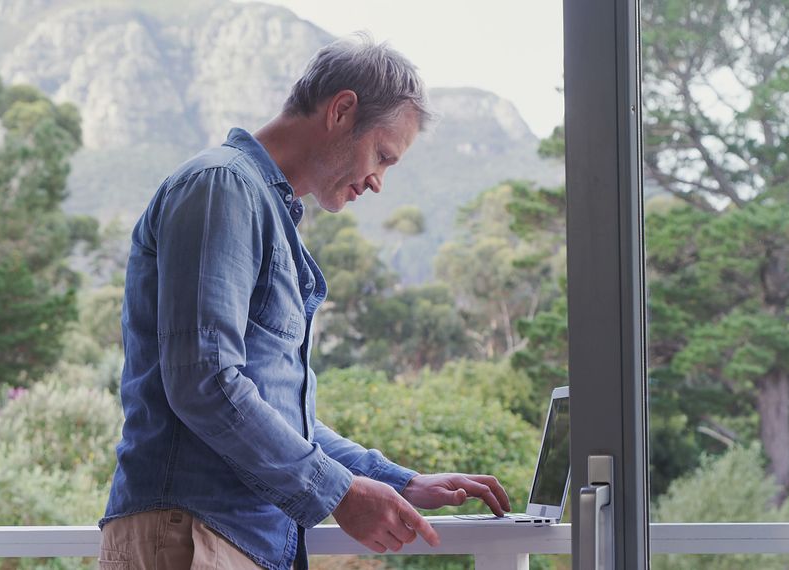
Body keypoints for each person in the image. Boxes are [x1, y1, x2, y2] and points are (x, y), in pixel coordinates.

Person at [98, 35, 511, 570]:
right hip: (192, 536)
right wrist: (340, 494)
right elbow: (204, 383)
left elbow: (276, 415)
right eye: (382, 156)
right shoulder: (221, 187)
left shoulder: (263, 208)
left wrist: (400, 481)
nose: (378, 182)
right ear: (342, 111)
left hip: (227, 539)